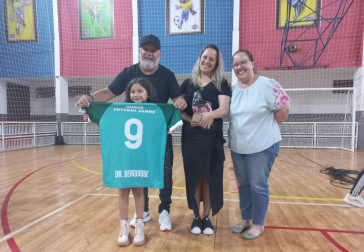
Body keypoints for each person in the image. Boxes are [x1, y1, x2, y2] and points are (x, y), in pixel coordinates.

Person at [76, 34, 187, 231]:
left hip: (159, 135)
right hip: (137, 137)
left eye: (153, 50)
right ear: (139, 52)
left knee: (165, 171)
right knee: (138, 171)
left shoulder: (167, 75)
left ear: (159, 54)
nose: (149, 53)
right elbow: (109, 93)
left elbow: (178, 100)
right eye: (146, 49)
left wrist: (180, 101)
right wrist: (89, 98)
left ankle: (164, 211)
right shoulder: (128, 73)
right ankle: (142, 210)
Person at [229, 50, 290, 239]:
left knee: (258, 185)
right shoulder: (232, 90)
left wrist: (266, 129)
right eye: (236, 64)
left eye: (243, 62)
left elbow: (284, 109)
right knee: (244, 186)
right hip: (238, 148)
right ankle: (246, 219)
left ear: (253, 63)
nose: (240, 67)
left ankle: (258, 223)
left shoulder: (268, 85)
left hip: (262, 147)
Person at [180, 44, 231, 235]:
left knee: (209, 179)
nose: (207, 61)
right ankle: (195, 216)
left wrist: (209, 116)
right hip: (191, 139)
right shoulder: (187, 84)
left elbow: (224, 109)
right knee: (194, 178)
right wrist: (193, 119)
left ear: (216, 63)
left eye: (212, 59)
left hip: (212, 140)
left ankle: (207, 217)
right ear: (200, 58)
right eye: (205, 57)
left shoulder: (221, 84)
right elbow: (181, 111)